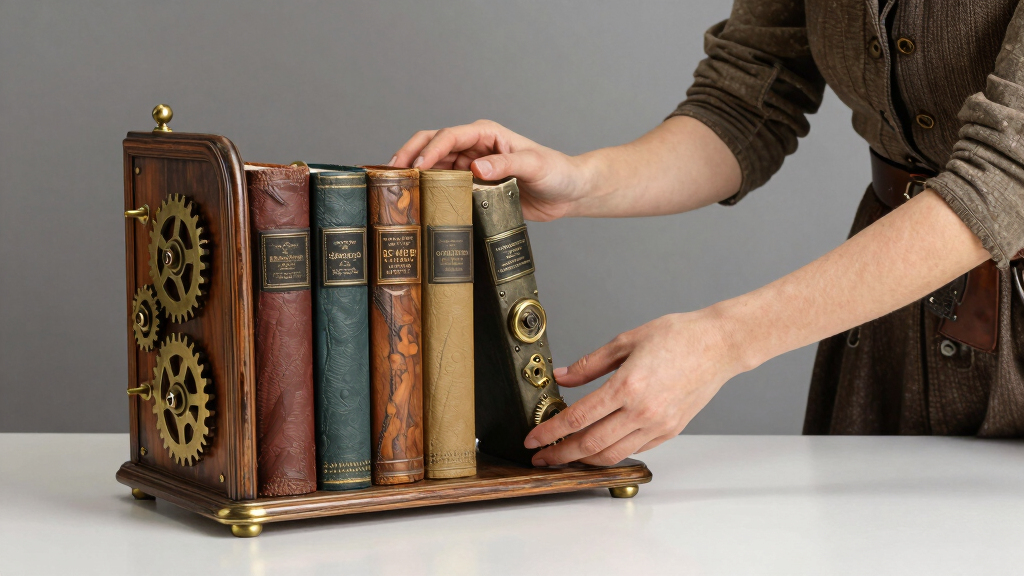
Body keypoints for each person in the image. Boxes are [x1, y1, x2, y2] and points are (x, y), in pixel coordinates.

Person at [392, 0, 1024, 468]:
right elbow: (748, 98)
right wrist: (579, 180)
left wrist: (722, 341)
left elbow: (1003, 177)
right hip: (889, 315)